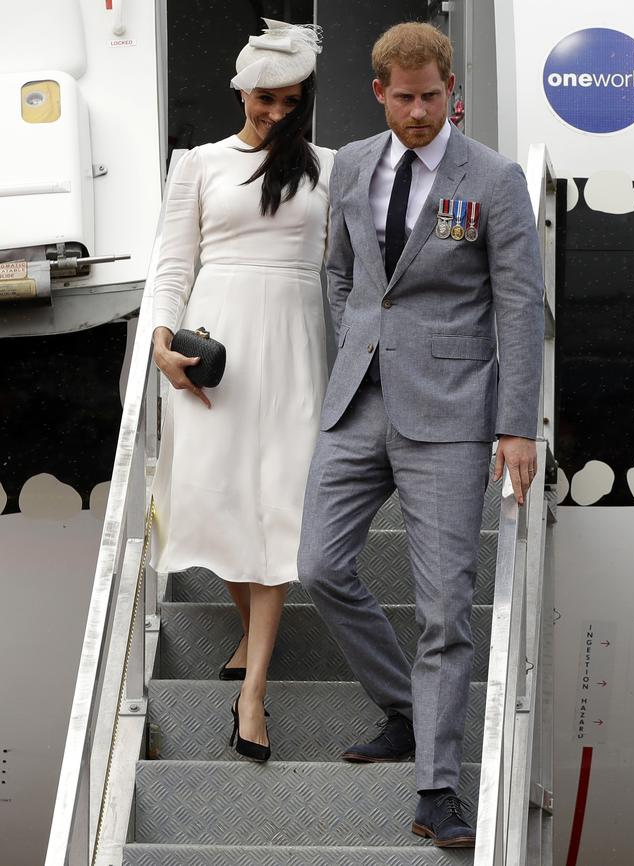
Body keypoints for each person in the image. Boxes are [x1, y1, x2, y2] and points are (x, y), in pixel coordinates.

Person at [298, 22, 544, 847]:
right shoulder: (353, 163)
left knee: (446, 610)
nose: (418, 113)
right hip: (359, 400)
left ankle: (438, 788)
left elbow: (518, 305)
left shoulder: (496, 179)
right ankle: (404, 705)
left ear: (452, 90)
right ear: (379, 92)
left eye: (431, 97)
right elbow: (340, 272)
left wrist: (517, 425)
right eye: (403, 98)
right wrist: (359, 342)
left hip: (452, 413)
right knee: (319, 566)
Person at [150, 18, 334, 763]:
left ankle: (252, 690)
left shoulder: (330, 166)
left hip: (293, 343)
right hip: (214, 346)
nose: (278, 114)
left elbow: (342, 269)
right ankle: (254, 637)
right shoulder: (197, 163)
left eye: (292, 101)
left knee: (278, 508)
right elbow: (172, 261)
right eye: (266, 99)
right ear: (241, 91)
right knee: (222, 498)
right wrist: (161, 342)